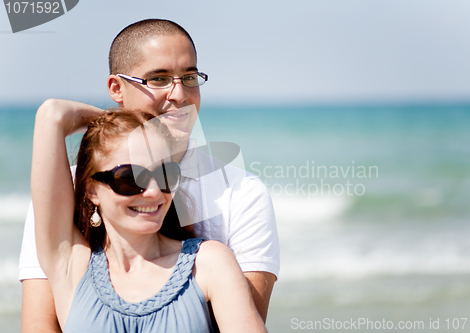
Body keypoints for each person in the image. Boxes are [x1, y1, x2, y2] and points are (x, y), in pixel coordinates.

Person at [19, 19, 279, 332]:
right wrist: (115, 126)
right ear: (117, 88)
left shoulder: (241, 193)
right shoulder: (64, 190)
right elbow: (40, 325)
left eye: (189, 77)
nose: (179, 95)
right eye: (158, 79)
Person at [31, 105, 267, 332]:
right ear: (92, 190)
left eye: (165, 175)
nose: (154, 191)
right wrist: (110, 122)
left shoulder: (207, 264)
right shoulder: (71, 265)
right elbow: (52, 115)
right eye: (131, 177)